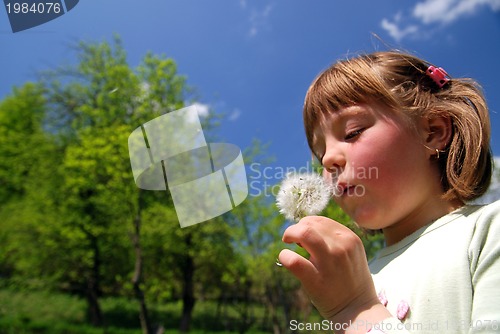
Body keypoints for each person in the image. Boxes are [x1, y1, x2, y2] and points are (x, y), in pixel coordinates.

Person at [278, 51, 499, 333]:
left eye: (352, 132)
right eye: (320, 153)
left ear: (432, 131)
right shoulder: (355, 276)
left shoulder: (488, 231)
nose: (327, 159)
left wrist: (358, 310)